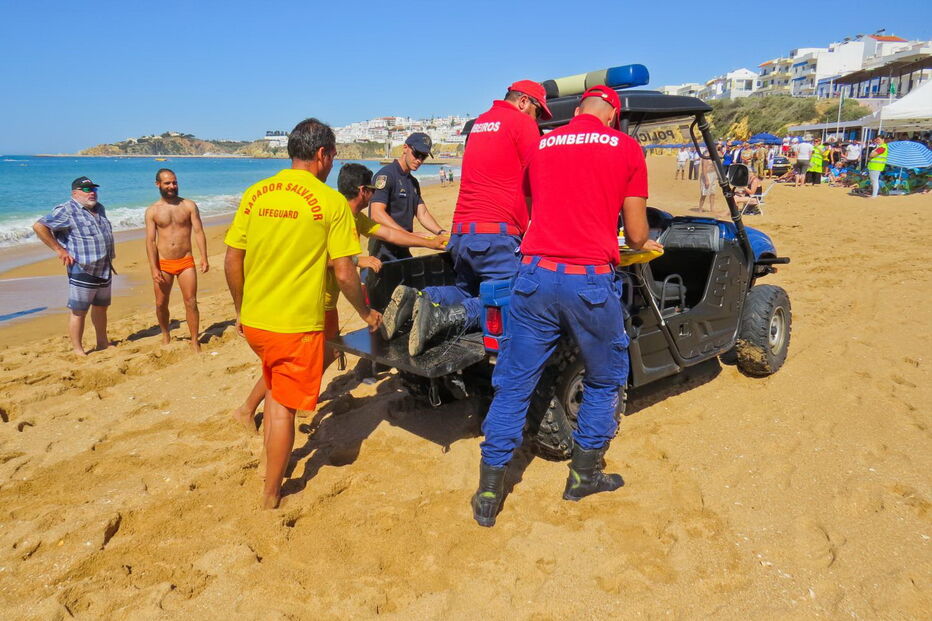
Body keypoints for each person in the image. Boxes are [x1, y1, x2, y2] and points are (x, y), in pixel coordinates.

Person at [470, 85, 663, 527]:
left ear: (577, 110)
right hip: (588, 282)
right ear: (612, 116)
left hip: (534, 275)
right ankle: (583, 476)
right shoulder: (626, 147)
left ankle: (487, 491)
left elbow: (537, 208)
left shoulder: (543, 144)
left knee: (514, 384)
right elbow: (635, 236)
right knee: (605, 378)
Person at [224, 118, 381, 509]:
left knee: (276, 389)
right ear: (322, 154)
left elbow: (232, 259)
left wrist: (239, 309)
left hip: (257, 321)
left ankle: (267, 459)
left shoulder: (257, 192)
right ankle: (272, 493)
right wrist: (365, 313)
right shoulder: (330, 202)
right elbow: (345, 272)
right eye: (332, 157)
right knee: (281, 411)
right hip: (295, 325)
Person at [230, 163, 447, 430]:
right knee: (291, 363)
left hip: (328, 301)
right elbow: (317, 257)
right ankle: (248, 408)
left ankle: (291, 398)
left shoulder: (355, 216)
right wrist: (358, 260)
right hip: (312, 300)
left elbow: (388, 233)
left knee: (328, 352)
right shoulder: (334, 210)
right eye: (371, 191)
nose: (373, 196)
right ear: (363, 192)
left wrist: (429, 242)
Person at [380, 80, 551, 357]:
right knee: (508, 298)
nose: (538, 119)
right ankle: (438, 319)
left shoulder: (480, 123)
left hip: (462, 232)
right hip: (496, 234)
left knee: (465, 290)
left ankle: (420, 297)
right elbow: (538, 178)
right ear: (523, 102)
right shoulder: (522, 124)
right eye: (538, 111)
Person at [32, 177, 115, 356]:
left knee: (101, 307)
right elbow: (39, 226)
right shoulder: (66, 210)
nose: (91, 192)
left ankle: (102, 343)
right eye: (86, 189)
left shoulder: (99, 208)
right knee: (79, 311)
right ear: (75, 193)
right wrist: (59, 250)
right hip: (83, 267)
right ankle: (78, 349)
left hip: (104, 267)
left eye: (93, 188)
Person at [144, 169, 209, 352]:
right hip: (163, 263)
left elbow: (198, 231)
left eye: (174, 182)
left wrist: (204, 256)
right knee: (160, 303)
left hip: (185, 261)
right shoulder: (152, 211)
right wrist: (153, 268)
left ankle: (194, 340)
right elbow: (150, 241)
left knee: (190, 301)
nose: (172, 186)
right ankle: (166, 334)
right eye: (167, 183)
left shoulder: (188, 206)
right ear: (158, 184)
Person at [367, 132, 446, 262]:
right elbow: (376, 214)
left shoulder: (412, 182)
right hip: (383, 249)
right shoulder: (386, 176)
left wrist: (441, 232)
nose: (419, 160)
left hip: (404, 246)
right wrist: (406, 234)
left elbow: (423, 214)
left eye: (423, 157)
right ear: (405, 148)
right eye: (417, 154)